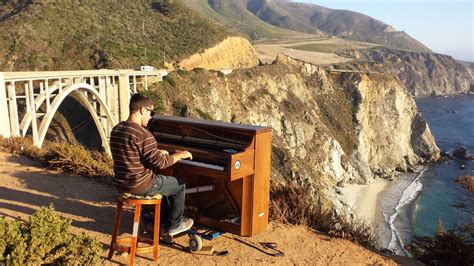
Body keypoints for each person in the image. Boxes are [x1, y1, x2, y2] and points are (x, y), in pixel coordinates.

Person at [109, 93, 193, 235]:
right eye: (150, 112)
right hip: (140, 185)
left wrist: (156, 152)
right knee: (179, 185)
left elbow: (131, 153)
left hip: (121, 184)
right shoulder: (143, 134)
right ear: (143, 110)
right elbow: (162, 164)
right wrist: (181, 154)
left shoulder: (116, 129)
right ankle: (174, 225)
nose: (151, 117)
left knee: (166, 183)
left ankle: (162, 221)